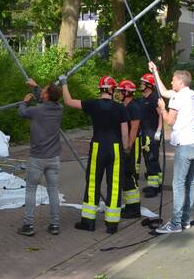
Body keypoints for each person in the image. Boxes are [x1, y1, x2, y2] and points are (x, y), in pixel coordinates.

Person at [61, 75, 129, 234]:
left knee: (93, 182)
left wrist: (64, 83)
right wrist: (126, 149)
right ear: (112, 90)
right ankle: (112, 225)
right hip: (116, 147)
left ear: (100, 89)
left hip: (98, 145)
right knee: (114, 184)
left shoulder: (92, 104)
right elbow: (124, 133)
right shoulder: (120, 108)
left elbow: (69, 101)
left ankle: (88, 222)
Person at [147, 61, 194, 234]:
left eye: (173, 80)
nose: (171, 82)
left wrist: (162, 109)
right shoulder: (190, 93)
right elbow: (164, 91)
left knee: (178, 184)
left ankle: (176, 222)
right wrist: (155, 71)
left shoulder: (178, 98)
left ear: (180, 82)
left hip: (185, 146)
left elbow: (170, 120)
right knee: (190, 182)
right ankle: (185, 220)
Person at [16, 78, 64, 236]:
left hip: (38, 158)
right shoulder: (59, 108)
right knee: (53, 190)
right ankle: (55, 224)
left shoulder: (37, 110)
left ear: (46, 96)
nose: (42, 90)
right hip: (54, 157)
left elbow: (22, 113)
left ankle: (28, 225)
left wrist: (24, 102)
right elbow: (44, 99)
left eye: (44, 90)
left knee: (30, 190)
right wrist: (35, 87)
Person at [117, 79, 142, 219]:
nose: (118, 94)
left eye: (120, 91)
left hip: (131, 145)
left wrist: (128, 147)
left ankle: (134, 208)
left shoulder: (133, 107)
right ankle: (129, 205)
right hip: (125, 145)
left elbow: (134, 128)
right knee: (125, 175)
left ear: (126, 92)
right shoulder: (124, 106)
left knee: (129, 174)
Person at [138, 73, 163, 197]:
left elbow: (161, 114)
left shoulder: (154, 98)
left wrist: (159, 130)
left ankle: (153, 188)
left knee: (151, 158)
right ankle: (157, 184)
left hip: (152, 133)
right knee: (149, 158)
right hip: (145, 133)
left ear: (149, 85)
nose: (140, 85)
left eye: (143, 83)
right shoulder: (143, 99)